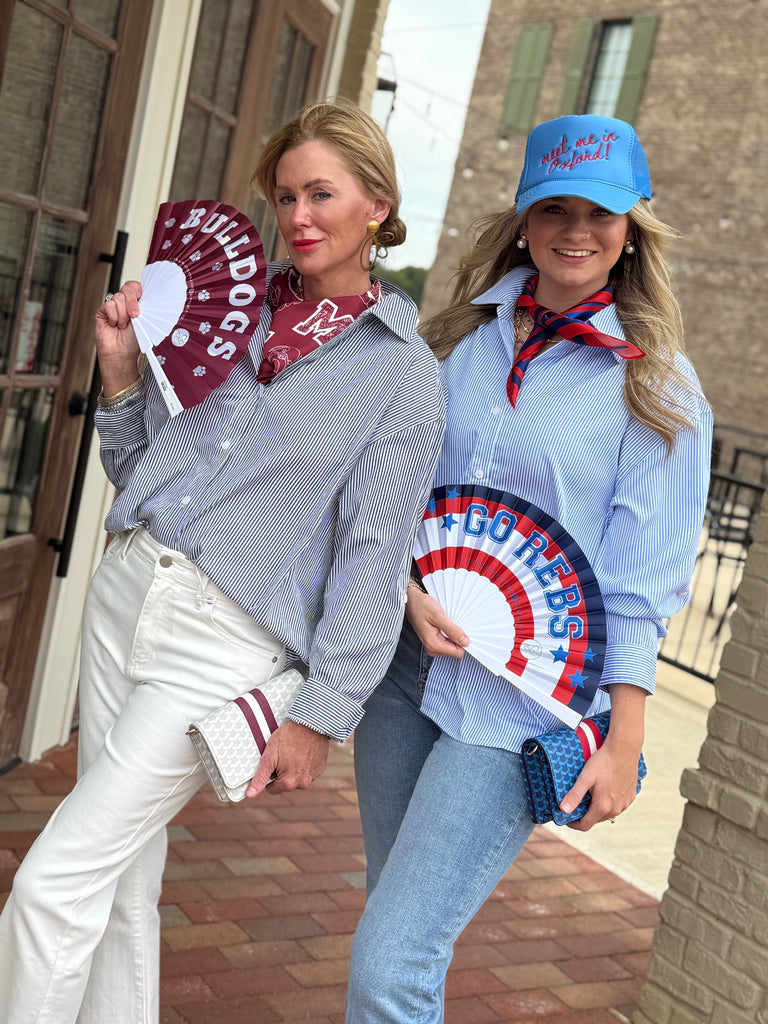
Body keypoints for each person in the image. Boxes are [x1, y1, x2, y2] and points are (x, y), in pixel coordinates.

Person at [0, 100, 445, 1024]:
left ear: (378, 205)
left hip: (220, 646)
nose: (297, 217)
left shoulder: (403, 374)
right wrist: (122, 376)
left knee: (52, 883)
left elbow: (373, 551)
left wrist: (323, 713)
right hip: (127, 588)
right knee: (121, 879)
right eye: (284, 196)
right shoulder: (226, 316)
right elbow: (145, 472)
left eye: (321, 193)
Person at [346, 114, 712, 1022]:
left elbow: (637, 585)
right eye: (555, 207)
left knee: (393, 959)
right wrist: (405, 589)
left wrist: (623, 744)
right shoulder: (460, 341)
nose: (576, 230)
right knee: (389, 932)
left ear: (633, 230)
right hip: (404, 673)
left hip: (517, 708)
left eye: (602, 211)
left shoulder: (659, 387)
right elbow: (394, 494)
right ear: (522, 218)